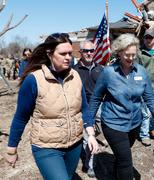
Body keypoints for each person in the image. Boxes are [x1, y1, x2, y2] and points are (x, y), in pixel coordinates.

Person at [5, 33, 98, 180]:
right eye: (63, 53)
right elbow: (20, 117)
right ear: (49, 54)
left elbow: (84, 108)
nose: (68, 57)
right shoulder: (34, 80)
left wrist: (91, 135)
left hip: (74, 144)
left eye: (70, 53)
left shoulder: (75, 76)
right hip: (46, 147)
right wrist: (12, 149)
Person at [89, 33, 154, 180]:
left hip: (134, 124)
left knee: (121, 156)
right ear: (119, 53)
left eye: (133, 55)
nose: (131, 59)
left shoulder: (141, 72)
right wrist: (89, 122)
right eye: (127, 55)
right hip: (113, 124)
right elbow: (96, 98)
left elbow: (149, 97)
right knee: (126, 161)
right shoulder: (108, 73)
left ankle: (115, 175)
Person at [74, 40, 103, 177]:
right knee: (88, 137)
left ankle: (86, 145)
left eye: (91, 50)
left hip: (99, 107)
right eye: (86, 51)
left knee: (99, 131)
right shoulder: (73, 71)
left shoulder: (100, 69)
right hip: (83, 108)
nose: (89, 53)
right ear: (80, 52)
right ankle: (90, 164)